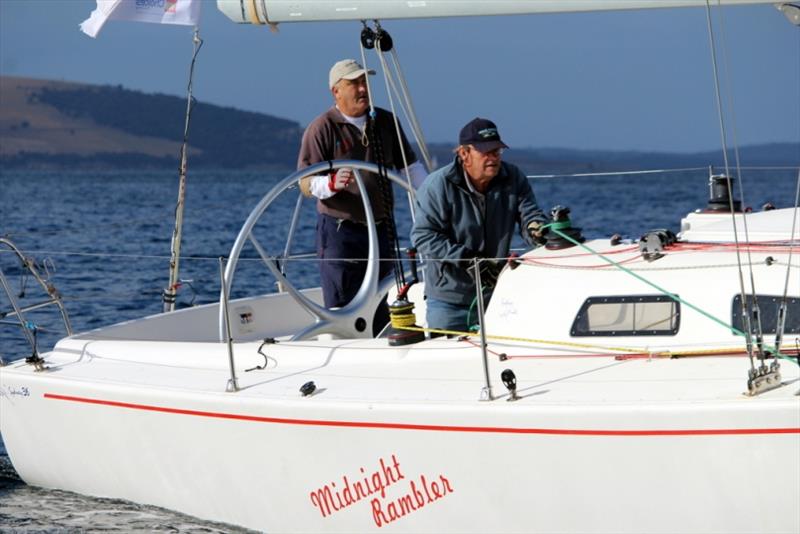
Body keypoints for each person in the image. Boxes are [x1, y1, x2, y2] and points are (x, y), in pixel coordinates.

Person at [298, 59, 427, 335]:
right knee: (341, 299)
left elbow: (410, 167)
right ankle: (342, 347)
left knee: (384, 296)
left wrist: (432, 198)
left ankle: (380, 345)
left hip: (380, 228)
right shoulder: (321, 128)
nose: (362, 89)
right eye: (353, 83)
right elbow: (306, 184)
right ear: (336, 91)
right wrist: (331, 184)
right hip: (339, 231)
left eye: (364, 82)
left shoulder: (386, 121)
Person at [411, 117, 548, 332]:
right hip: (449, 301)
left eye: (497, 151)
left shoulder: (513, 177)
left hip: (497, 297)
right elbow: (423, 237)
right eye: (486, 151)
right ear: (464, 154)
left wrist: (538, 230)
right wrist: (468, 260)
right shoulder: (437, 185)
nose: (493, 157)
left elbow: (529, 215)